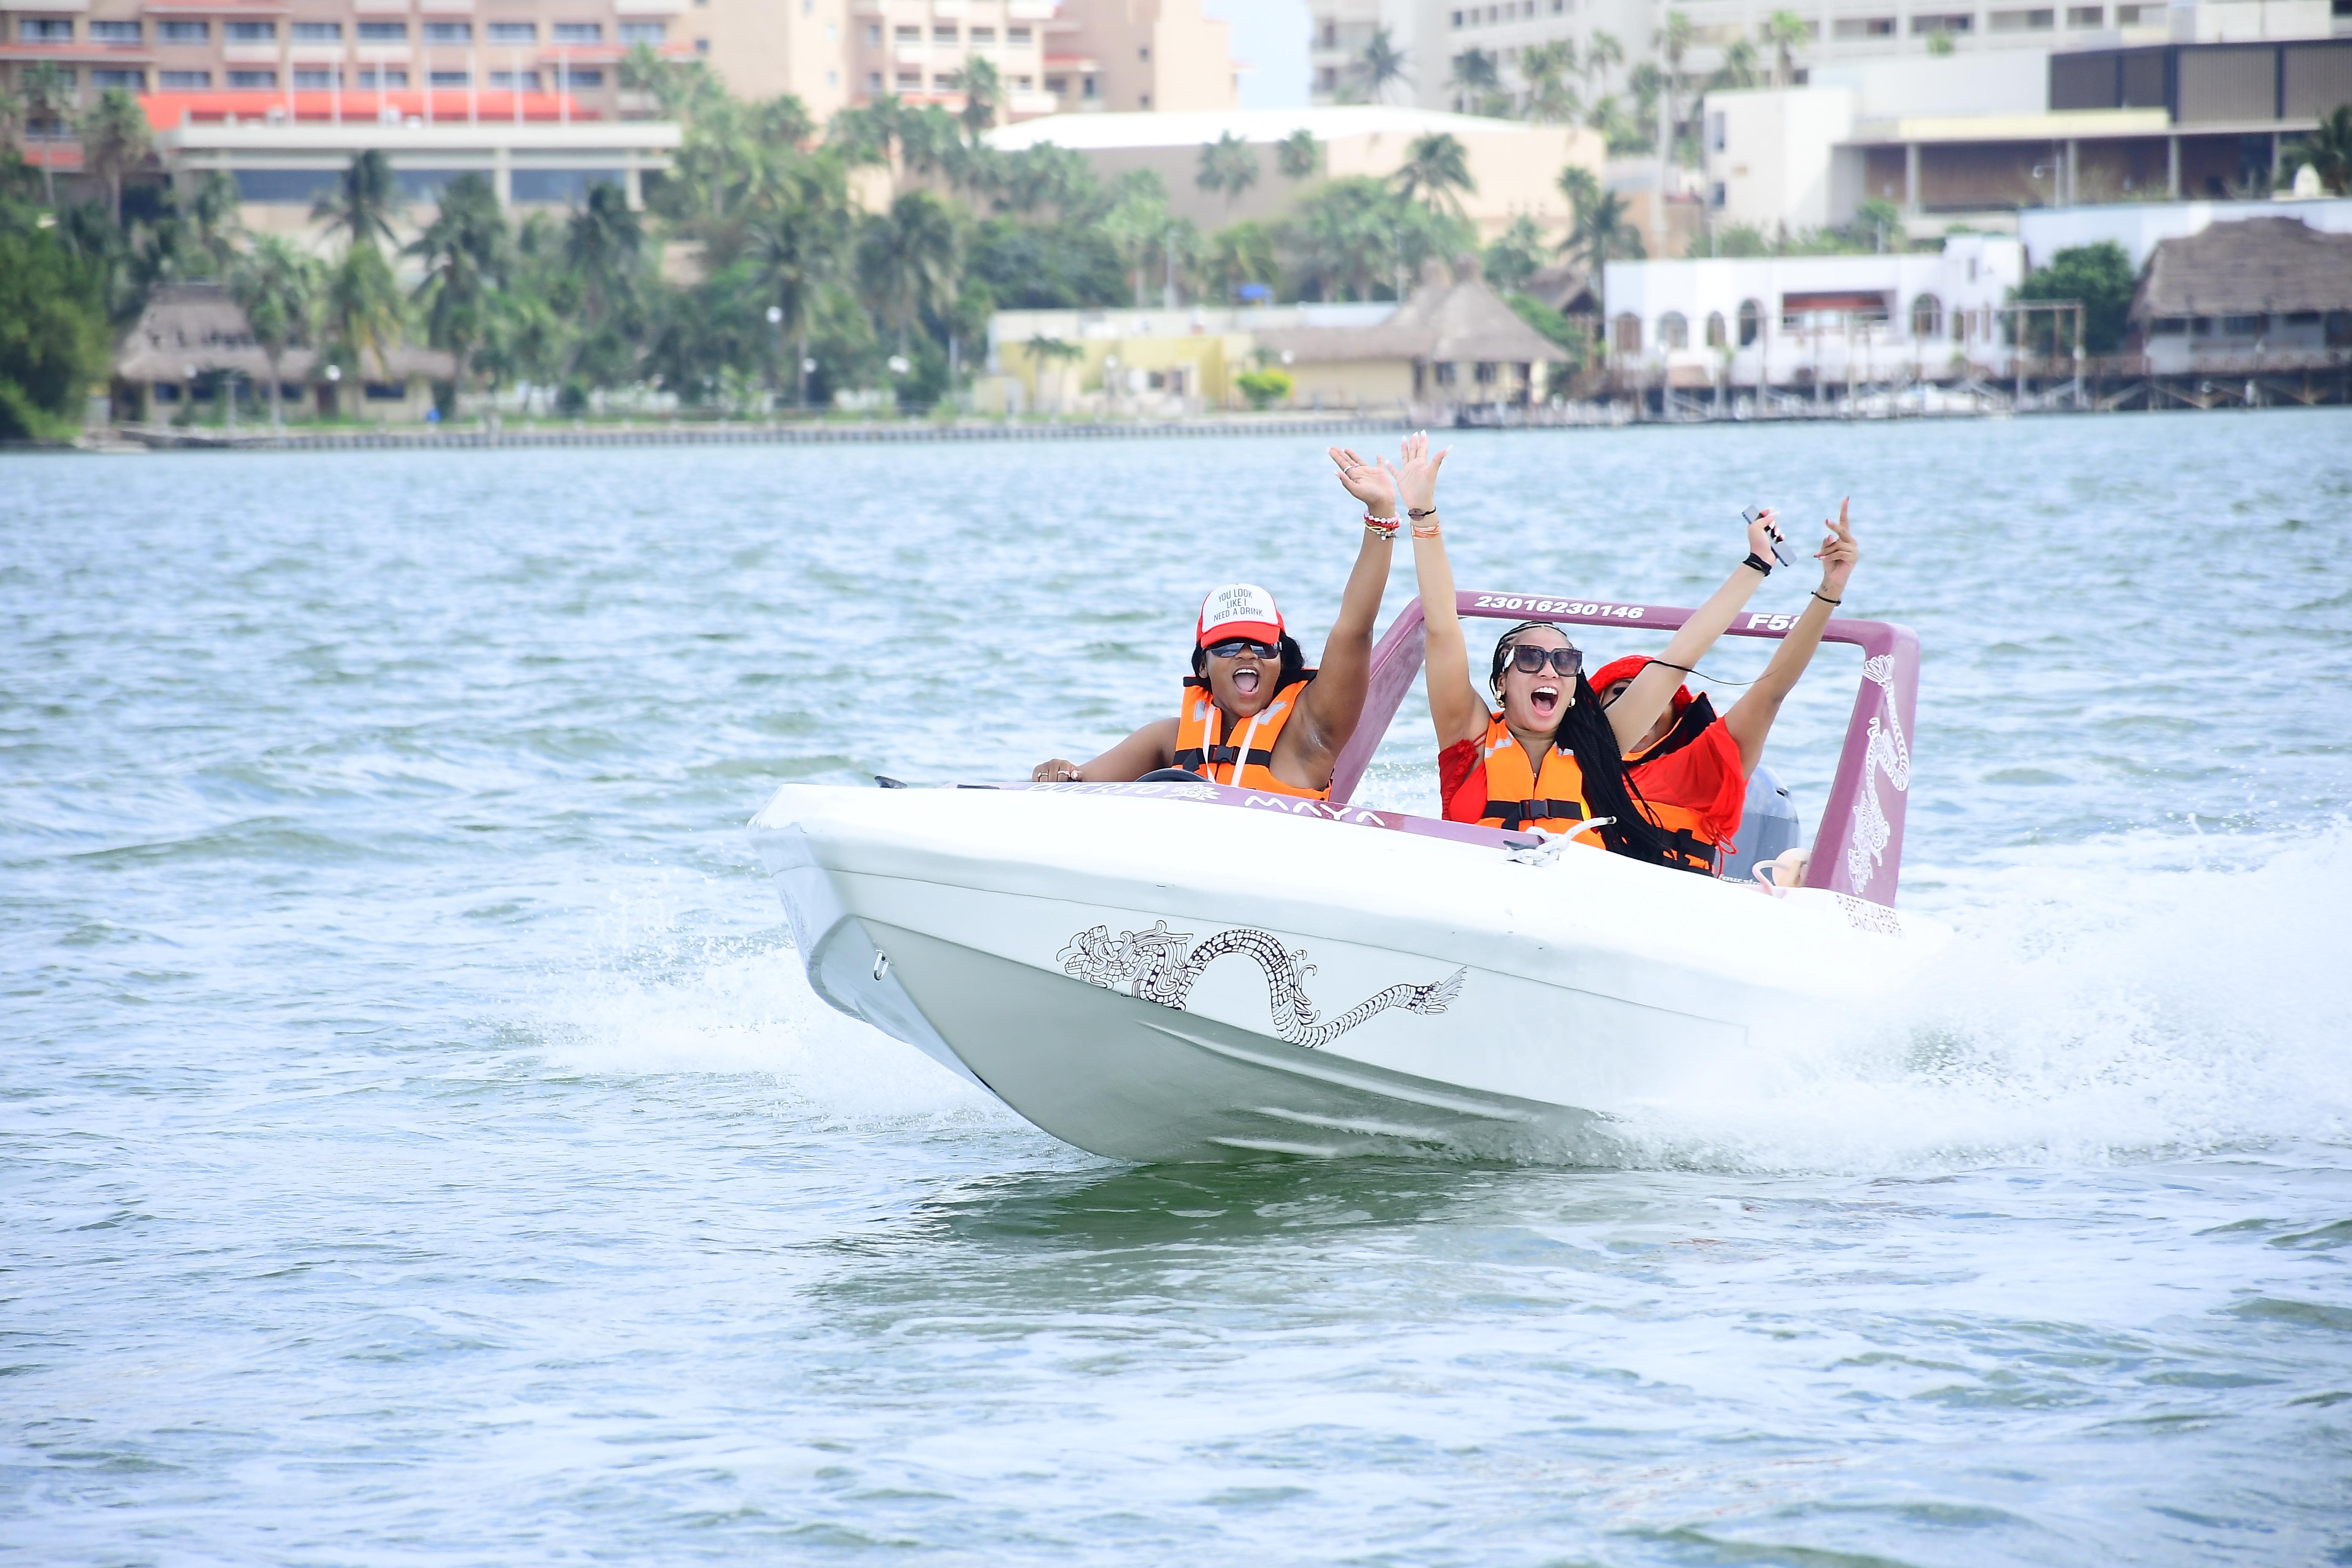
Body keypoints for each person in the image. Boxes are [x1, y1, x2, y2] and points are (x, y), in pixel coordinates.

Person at [1389, 430, 1791, 870]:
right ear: (1502, 682)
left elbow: (1679, 658)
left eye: (1564, 662)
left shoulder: (1598, 748)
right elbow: (1443, 627)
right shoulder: (1469, 737)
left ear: (1576, 685)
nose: (1549, 671)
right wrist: (1422, 514)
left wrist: (1757, 565)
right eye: (1529, 658)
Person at [1029, 449, 1407, 798]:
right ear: (1202, 667)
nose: (1248, 654)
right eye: (1228, 645)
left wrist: (1382, 515)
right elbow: (1078, 787)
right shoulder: (1168, 739)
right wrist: (1058, 773)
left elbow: (1355, 628)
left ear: (1281, 659)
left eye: (1262, 645)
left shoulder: (1311, 731)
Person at [1588, 501, 1862, 873]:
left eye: (1656, 699)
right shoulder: (1567, 759)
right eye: (1621, 693)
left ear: (1675, 718)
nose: (1642, 705)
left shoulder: (1701, 767)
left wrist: (1831, 587)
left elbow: (1771, 690)